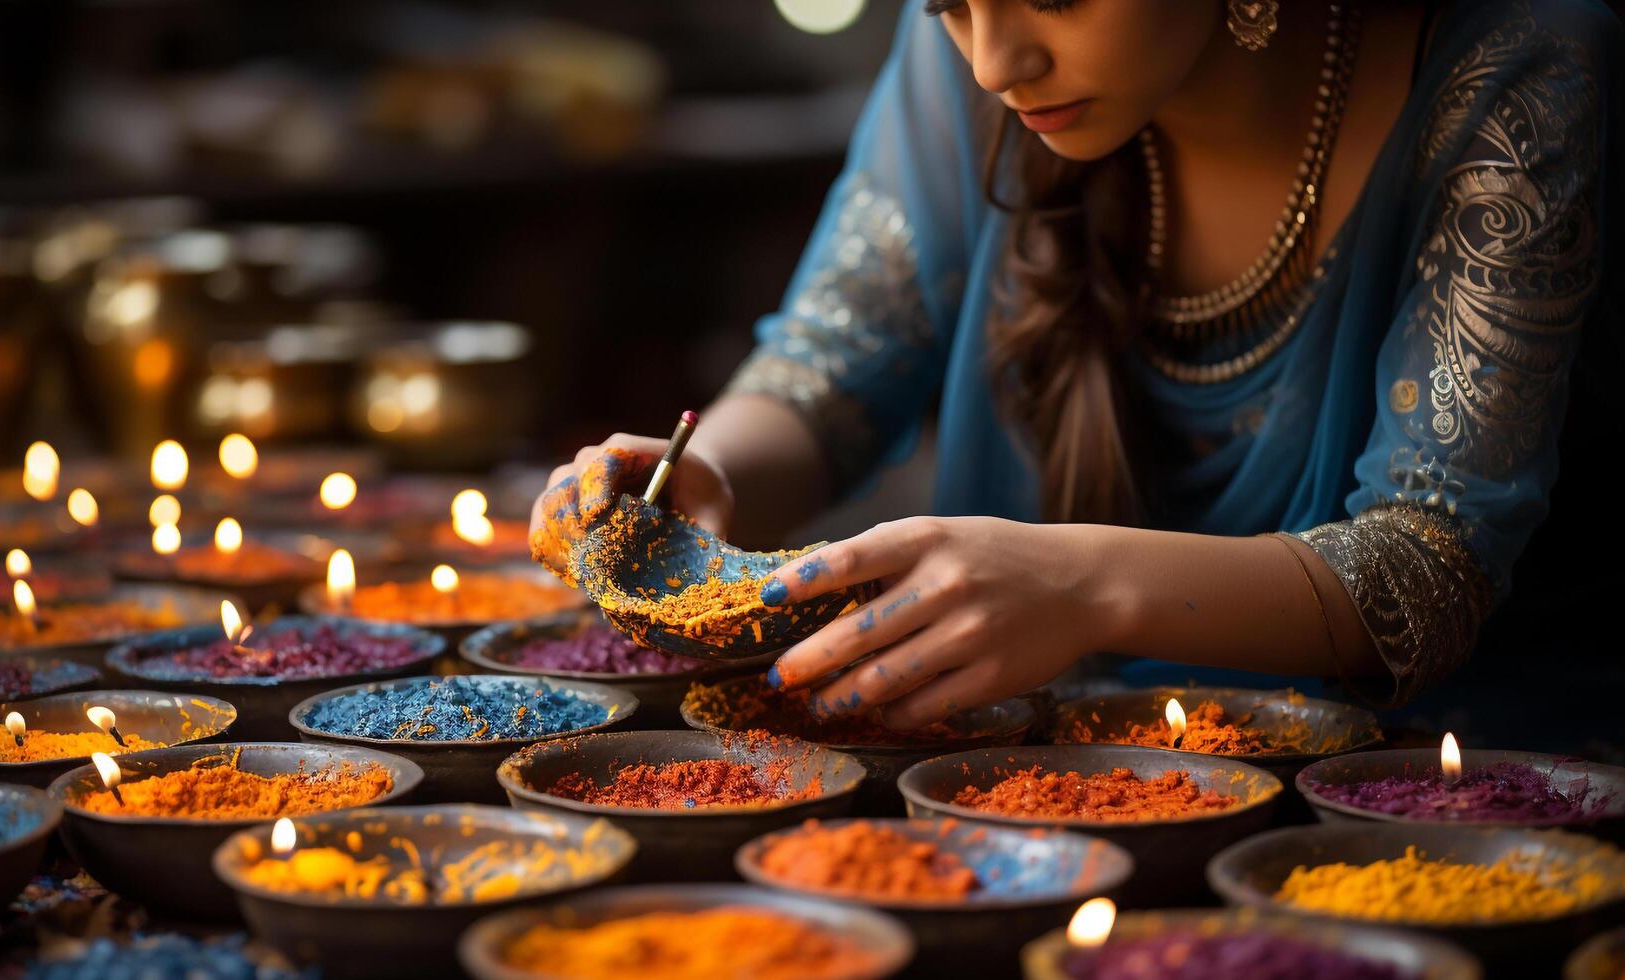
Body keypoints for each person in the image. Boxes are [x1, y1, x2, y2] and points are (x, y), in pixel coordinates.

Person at [532, 0, 1622, 738]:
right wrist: (709, 479)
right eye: (944, 6)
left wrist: (1076, 585)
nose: (993, 62)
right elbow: (826, 370)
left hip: (1435, 810)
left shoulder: (1517, 67)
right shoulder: (970, 60)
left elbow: (1423, 571)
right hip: (1014, 786)